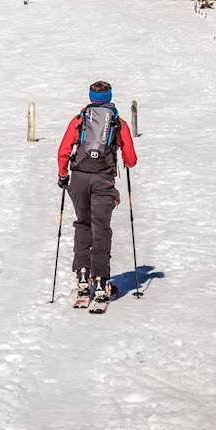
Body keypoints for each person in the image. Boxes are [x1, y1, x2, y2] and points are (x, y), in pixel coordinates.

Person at [57, 80, 137, 307]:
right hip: (103, 180)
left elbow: (64, 150)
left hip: (79, 179)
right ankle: (101, 282)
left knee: (83, 225)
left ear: (91, 97)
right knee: (101, 229)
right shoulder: (118, 123)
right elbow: (131, 159)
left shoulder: (80, 120)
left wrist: (63, 175)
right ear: (110, 96)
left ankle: (83, 277)